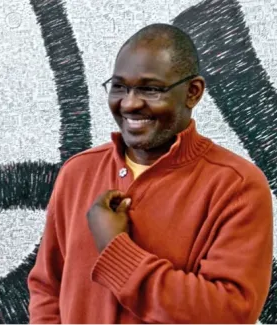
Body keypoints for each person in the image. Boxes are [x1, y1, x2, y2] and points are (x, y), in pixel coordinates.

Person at [27, 23, 273, 324]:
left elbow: (229, 313)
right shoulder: (78, 172)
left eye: (151, 89)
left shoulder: (237, 187)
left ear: (193, 92)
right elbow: (47, 287)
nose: (129, 103)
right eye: (119, 86)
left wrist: (116, 250)